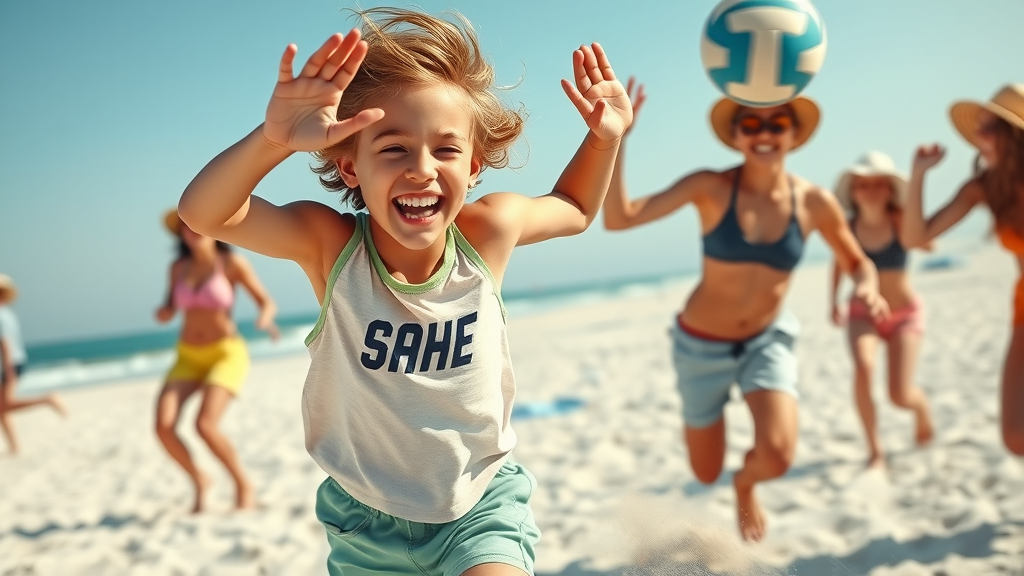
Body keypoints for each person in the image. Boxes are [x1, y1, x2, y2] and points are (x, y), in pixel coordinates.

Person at [176, 8, 631, 576]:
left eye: (446, 149)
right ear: (350, 167)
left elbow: (577, 208)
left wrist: (603, 138)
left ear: (476, 162)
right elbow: (203, 213)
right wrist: (273, 142)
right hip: (365, 521)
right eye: (392, 149)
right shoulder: (332, 248)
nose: (421, 169)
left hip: (479, 503)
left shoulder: (488, 232)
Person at [602, 81, 887, 542]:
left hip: (766, 339)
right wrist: (619, 139)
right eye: (750, 122)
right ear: (735, 134)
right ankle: (719, 448)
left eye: (778, 122)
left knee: (777, 454)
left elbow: (857, 262)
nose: (764, 132)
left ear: (795, 133)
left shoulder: (815, 203)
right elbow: (620, 218)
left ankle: (747, 484)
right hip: (699, 345)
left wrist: (868, 287)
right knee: (704, 469)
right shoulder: (710, 187)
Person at [903, 83, 1024, 456]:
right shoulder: (984, 188)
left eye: (989, 127)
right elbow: (914, 237)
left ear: (1014, 136)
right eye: (979, 127)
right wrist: (919, 173)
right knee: (1015, 435)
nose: (978, 136)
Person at [155, 210, 279, 513]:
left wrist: (264, 318)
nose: (191, 230)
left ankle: (242, 483)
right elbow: (170, 306)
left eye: (196, 222)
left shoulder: (232, 264)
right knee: (163, 426)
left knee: (205, 425)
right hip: (187, 356)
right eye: (185, 227)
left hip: (225, 353)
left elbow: (266, 302)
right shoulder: (177, 268)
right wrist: (165, 313)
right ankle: (200, 479)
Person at [830, 152, 934, 469]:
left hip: (905, 315)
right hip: (863, 315)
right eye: (863, 184)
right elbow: (838, 264)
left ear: (890, 189)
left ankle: (920, 409)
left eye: (878, 183)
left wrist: (923, 238)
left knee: (899, 395)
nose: (871, 190)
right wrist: (831, 300)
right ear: (853, 192)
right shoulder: (846, 227)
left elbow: (924, 240)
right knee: (863, 366)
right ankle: (875, 449)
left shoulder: (900, 219)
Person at [0, 274, 66, 455]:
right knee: (2, 408)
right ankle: (14, 447)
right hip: (15, 361)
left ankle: (47, 399)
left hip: (9, 364)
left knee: (6, 405)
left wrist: (7, 368)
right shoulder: (8, 314)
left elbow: (4, 344)